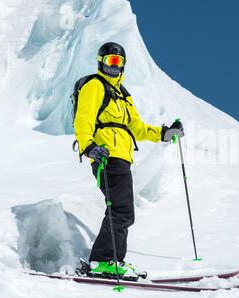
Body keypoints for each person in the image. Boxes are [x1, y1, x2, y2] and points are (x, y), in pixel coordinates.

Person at [74, 42, 184, 279]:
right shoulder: (94, 86)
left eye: (119, 63)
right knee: (121, 210)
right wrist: (89, 147)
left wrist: (165, 133)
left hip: (122, 158)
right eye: (110, 62)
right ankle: (103, 261)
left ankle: (112, 260)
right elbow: (83, 119)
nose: (114, 67)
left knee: (123, 210)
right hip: (105, 155)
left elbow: (137, 127)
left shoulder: (123, 95)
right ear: (101, 62)